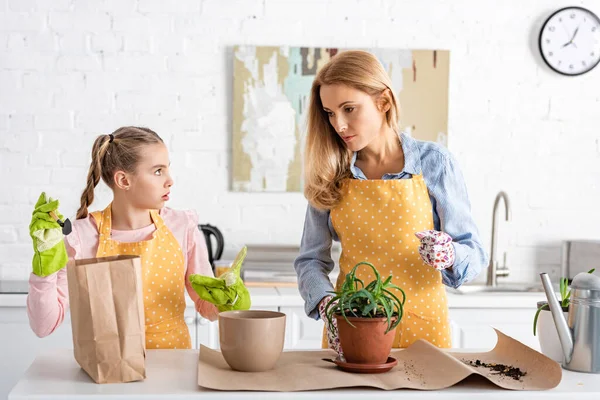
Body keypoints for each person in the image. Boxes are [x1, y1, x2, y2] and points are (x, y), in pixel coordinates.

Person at [294, 51, 488, 356]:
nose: (339, 124)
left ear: (383, 102)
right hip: (351, 330)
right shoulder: (330, 172)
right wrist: (326, 304)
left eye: (349, 109)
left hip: (424, 334)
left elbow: (474, 253)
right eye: (330, 113)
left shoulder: (434, 163)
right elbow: (310, 261)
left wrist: (449, 254)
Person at [27, 126, 219, 349]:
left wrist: (228, 302)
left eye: (167, 169)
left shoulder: (182, 227)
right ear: (124, 181)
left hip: (173, 369)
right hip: (108, 372)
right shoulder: (81, 237)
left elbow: (207, 307)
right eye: (158, 171)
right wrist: (45, 266)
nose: (170, 180)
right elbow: (43, 326)